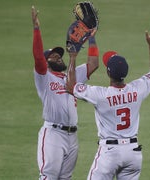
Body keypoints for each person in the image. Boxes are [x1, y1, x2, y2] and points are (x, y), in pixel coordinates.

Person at [66, 23, 150, 180]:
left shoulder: (100, 95)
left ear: (108, 73)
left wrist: (73, 56)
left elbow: (70, 86)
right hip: (133, 153)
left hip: (109, 154)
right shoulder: (137, 89)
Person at [31, 5, 99, 179]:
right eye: (52, 56)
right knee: (48, 176)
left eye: (59, 54)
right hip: (53, 135)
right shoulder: (44, 77)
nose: (58, 56)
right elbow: (38, 57)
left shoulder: (71, 76)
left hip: (72, 137)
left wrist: (92, 39)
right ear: (46, 62)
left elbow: (93, 64)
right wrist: (36, 28)